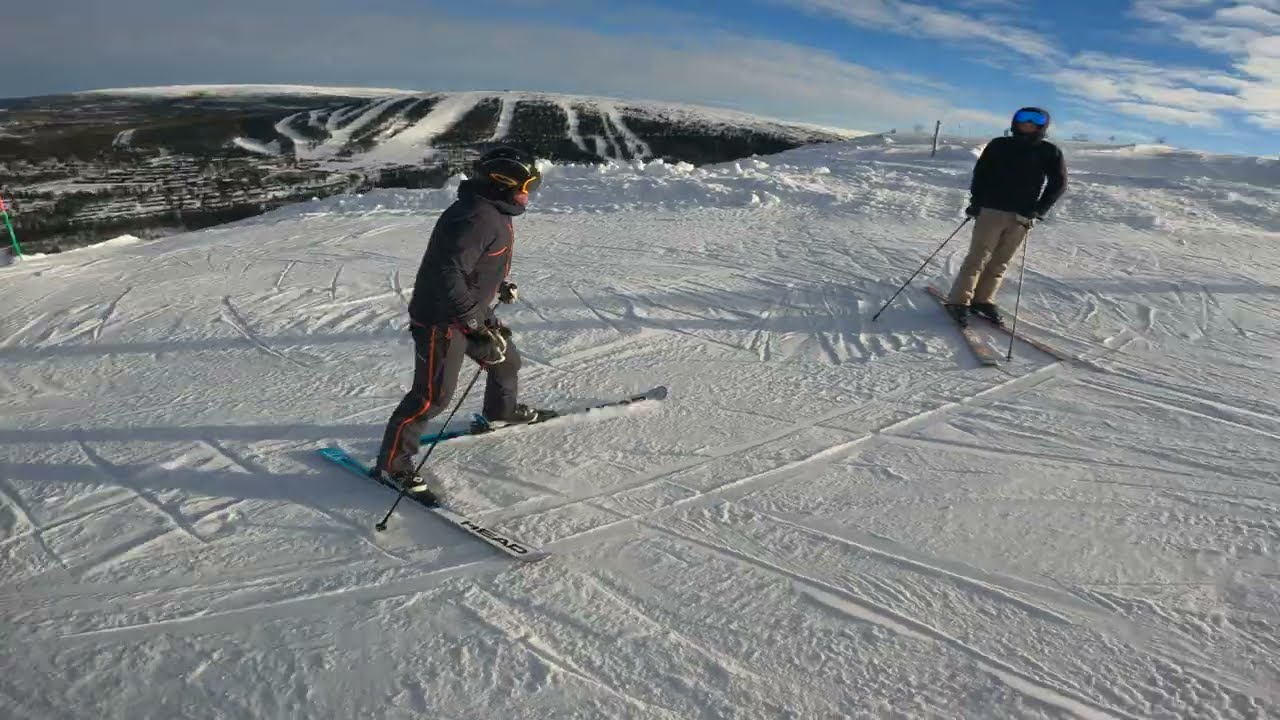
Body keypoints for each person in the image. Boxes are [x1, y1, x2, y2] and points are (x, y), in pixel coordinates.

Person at [372, 146, 549, 497]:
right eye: (523, 187)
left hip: (470, 311)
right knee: (433, 397)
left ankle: (502, 411)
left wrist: (498, 285)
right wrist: (475, 326)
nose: (527, 195)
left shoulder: (493, 211)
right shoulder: (476, 217)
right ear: (500, 184)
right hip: (442, 318)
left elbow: (475, 264)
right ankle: (392, 464)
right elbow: (447, 274)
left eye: (532, 186)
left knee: (506, 362)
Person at [945, 107, 1067, 326]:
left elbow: (1058, 184)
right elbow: (981, 174)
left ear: (1043, 125)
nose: (1028, 122)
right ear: (1014, 121)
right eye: (1023, 117)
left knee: (1001, 261)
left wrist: (1039, 210)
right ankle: (959, 301)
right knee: (977, 258)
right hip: (992, 210)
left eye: (1036, 119)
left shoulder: (1049, 151)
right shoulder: (999, 145)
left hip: (1022, 215)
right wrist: (976, 202)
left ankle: (982, 300)